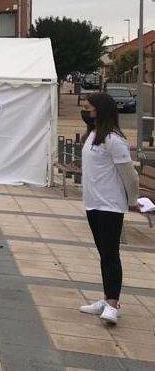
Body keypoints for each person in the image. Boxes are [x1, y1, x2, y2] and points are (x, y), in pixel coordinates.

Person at [77, 92, 139, 325]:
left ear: (100, 111)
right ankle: (106, 298)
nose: (85, 112)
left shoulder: (114, 139)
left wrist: (133, 201)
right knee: (104, 254)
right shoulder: (93, 135)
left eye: (88, 108)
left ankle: (113, 304)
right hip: (93, 203)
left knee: (111, 254)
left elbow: (129, 175)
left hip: (110, 206)